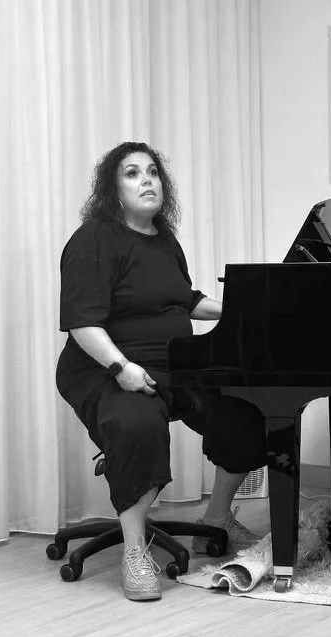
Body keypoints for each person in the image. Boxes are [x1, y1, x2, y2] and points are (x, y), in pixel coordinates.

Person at [56, 141, 267, 602]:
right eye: (132, 174)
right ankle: (135, 550)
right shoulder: (94, 239)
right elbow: (81, 322)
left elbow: (184, 299)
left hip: (173, 362)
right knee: (137, 420)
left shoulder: (163, 238)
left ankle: (216, 516)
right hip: (101, 365)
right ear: (112, 191)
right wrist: (120, 367)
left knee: (248, 409)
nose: (147, 179)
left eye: (152, 172)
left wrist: (238, 309)